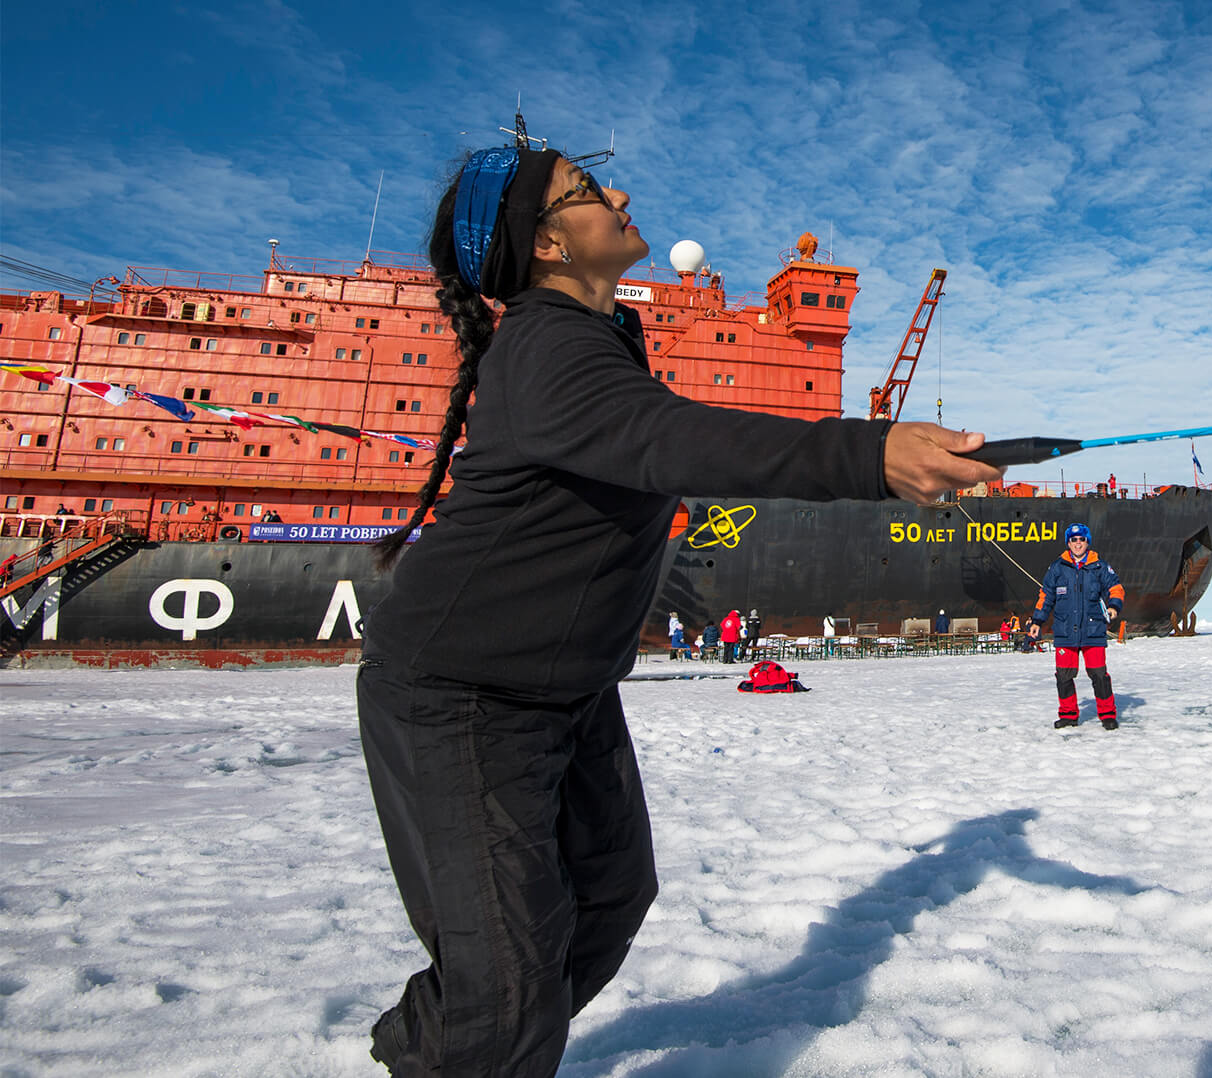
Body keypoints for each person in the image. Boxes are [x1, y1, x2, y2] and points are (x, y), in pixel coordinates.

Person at [354, 143, 1001, 1076]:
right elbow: (671, 439)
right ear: (544, 245)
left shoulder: (599, 340)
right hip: (460, 693)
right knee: (506, 990)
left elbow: (651, 439)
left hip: (561, 691)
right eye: (585, 190)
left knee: (608, 902)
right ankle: (460, 1045)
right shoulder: (545, 343)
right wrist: (870, 455)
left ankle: (440, 1046)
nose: (616, 192)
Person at [1032, 522, 1124, 729]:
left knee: (1099, 674)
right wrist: (1038, 621)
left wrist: (1114, 606)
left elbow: (1115, 588)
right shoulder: (1057, 568)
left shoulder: (1099, 566)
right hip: (1065, 630)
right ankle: (1068, 715)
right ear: (1068, 543)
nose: (1078, 543)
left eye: (1081, 539)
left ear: (1087, 542)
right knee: (1064, 675)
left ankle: (1108, 715)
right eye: (1073, 540)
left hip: (1093, 629)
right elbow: (1045, 596)